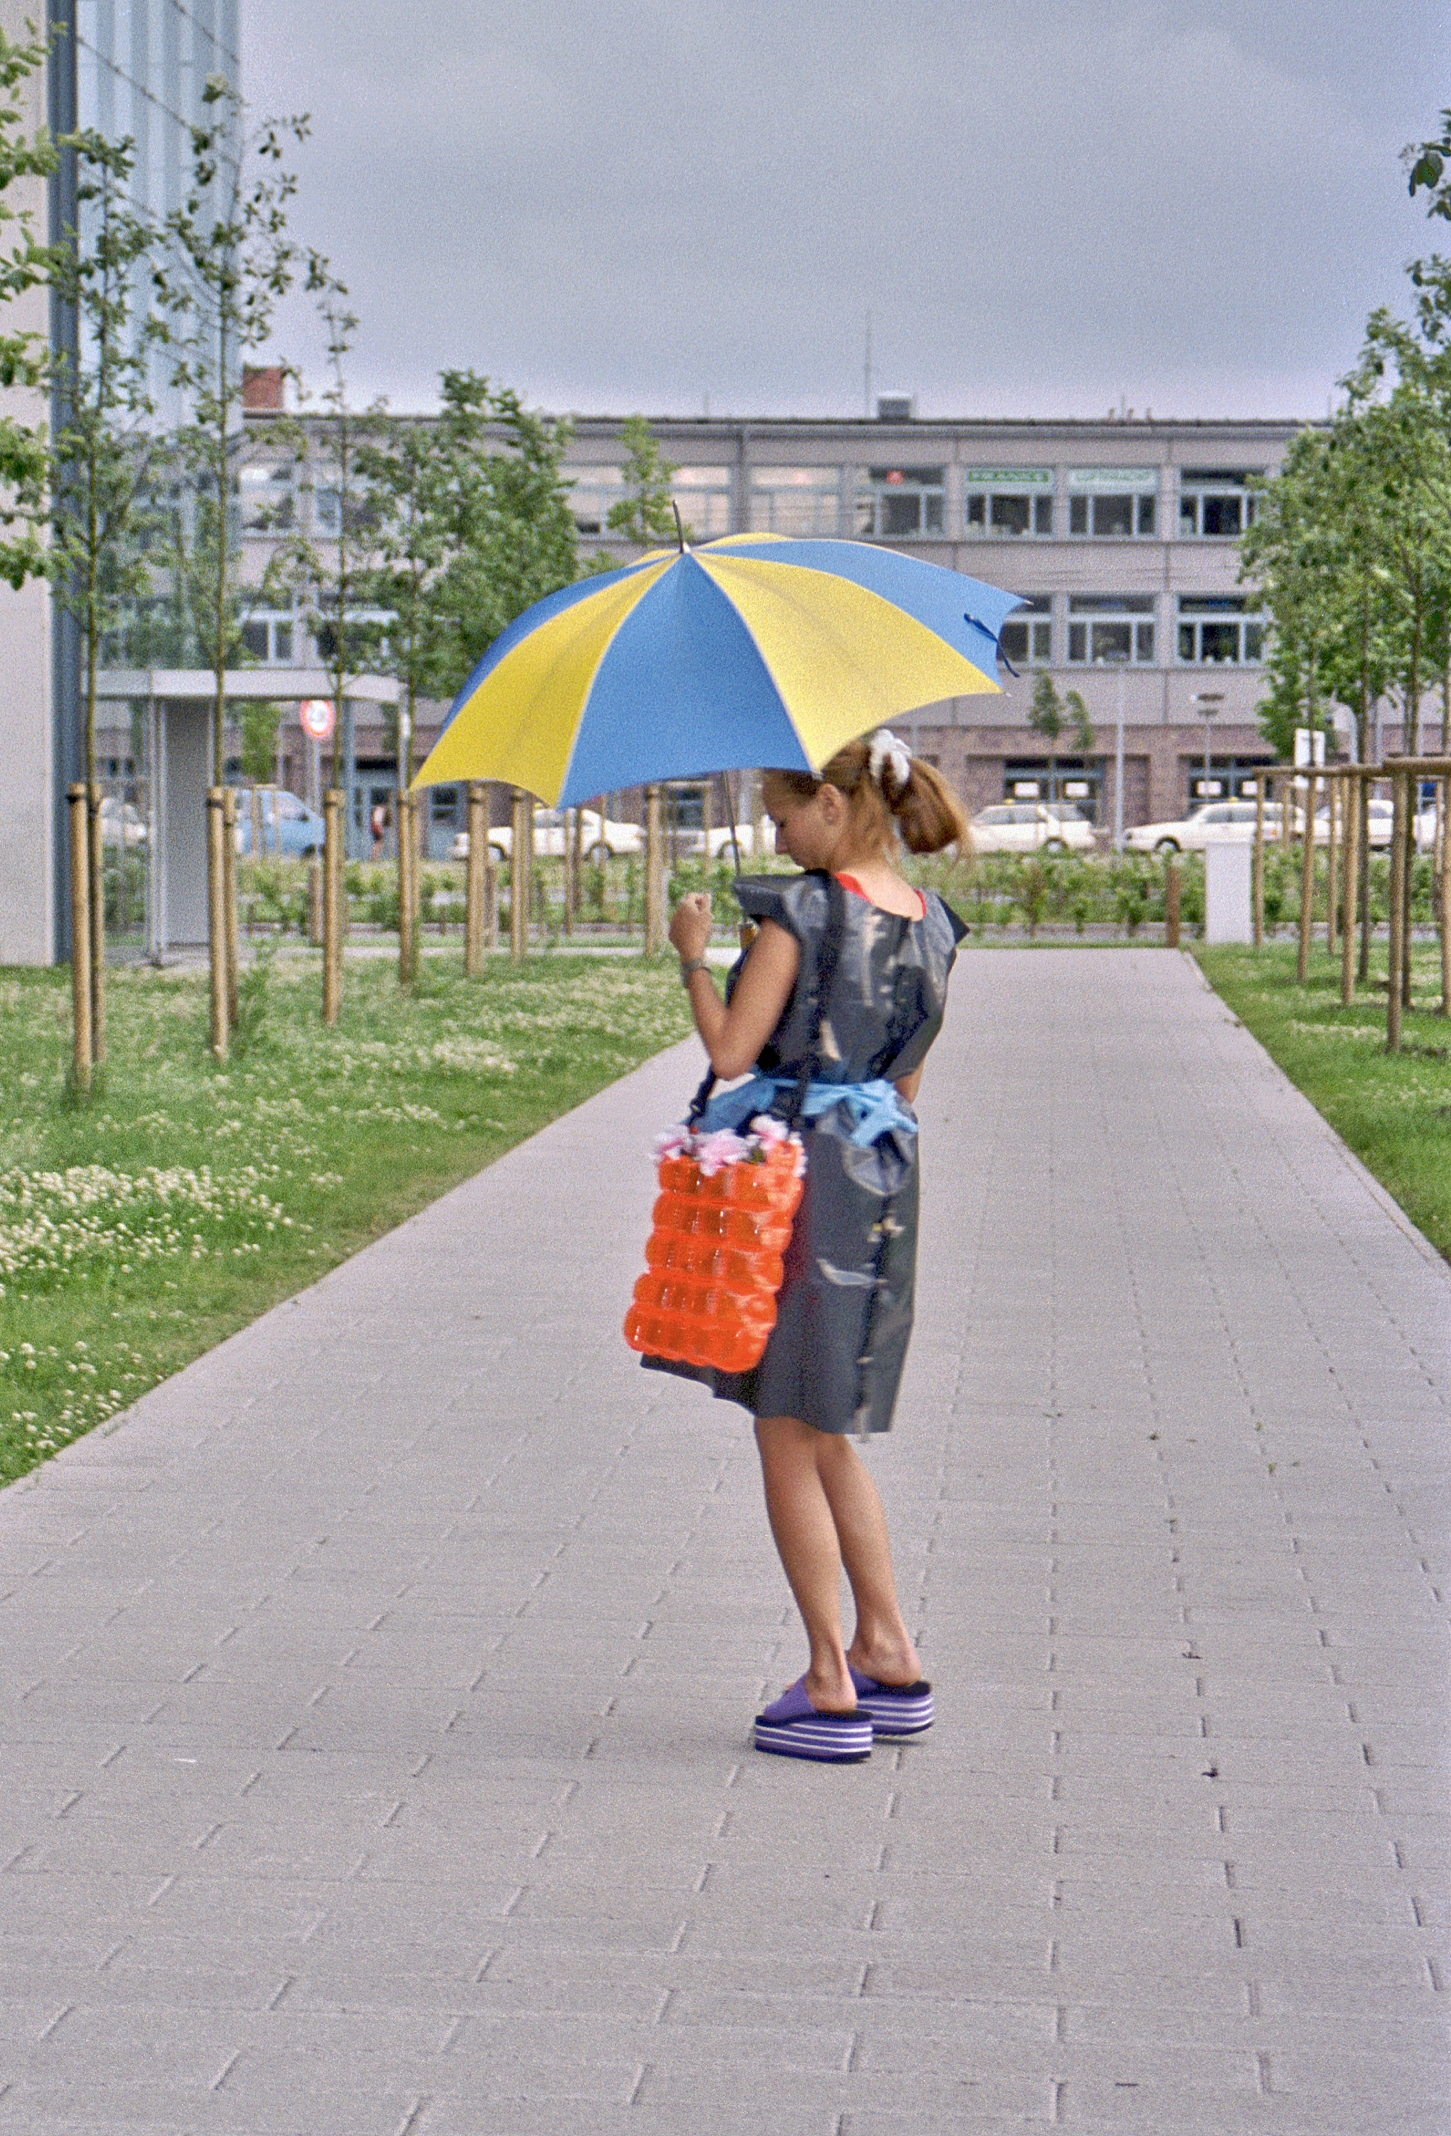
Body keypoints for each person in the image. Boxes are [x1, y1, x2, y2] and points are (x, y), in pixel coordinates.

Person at [659, 728, 970, 1763]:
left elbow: (730, 1051)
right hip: (880, 1183)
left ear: (833, 808)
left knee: (785, 1428)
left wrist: (695, 961)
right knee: (827, 1425)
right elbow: (906, 1085)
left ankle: (829, 1680)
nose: (772, 829)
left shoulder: (801, 910)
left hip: (789, 1188)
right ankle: (889, 1653)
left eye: (780, 811)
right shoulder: (931, 924)